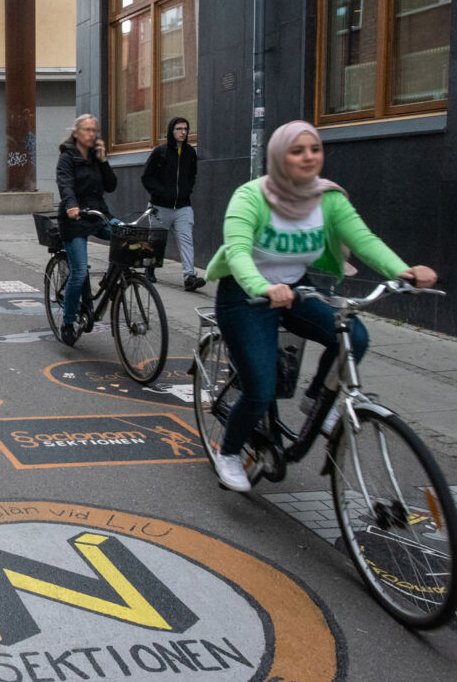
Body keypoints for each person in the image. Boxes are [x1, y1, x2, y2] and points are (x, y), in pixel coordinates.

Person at [204, 120, 437, 492]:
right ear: (280, 156)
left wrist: (403, 272)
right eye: (297, 151)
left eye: (314, 149)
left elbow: (364, 240)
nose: (309, 157)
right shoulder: (250, 197)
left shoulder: (328, 199)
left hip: (298, 289)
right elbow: (238, 252)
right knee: (260, 389)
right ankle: (229, 452)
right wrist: (263, 286)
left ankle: (315, 400)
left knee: (354, 336)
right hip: (245, 295)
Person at [56, 114, 117, 346]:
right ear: (76, 133)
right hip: (74, 220)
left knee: (127, 238)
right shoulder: (67, 157)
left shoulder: (95, 158)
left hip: (98, 215)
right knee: (79, 272)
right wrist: (71, 205)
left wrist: (103, 160)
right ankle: (69, 322)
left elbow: (111, 186)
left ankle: (111, 283)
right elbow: (65, 183)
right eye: (88, 130)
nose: (92, 134)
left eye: (95, 130)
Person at [141, 116, 204, 291]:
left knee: (186, 240)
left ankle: (189, 277)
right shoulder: (160, 152)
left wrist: (186, 191)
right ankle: (150, 268)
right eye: (179, 129)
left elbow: (192, 176)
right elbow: (147, 177)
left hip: (183, 206)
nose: (183, 132)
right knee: (156, 241)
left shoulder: (190, 153)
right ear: (171, 131)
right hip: (160, 206)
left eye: (185, 129)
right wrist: (160, 192)